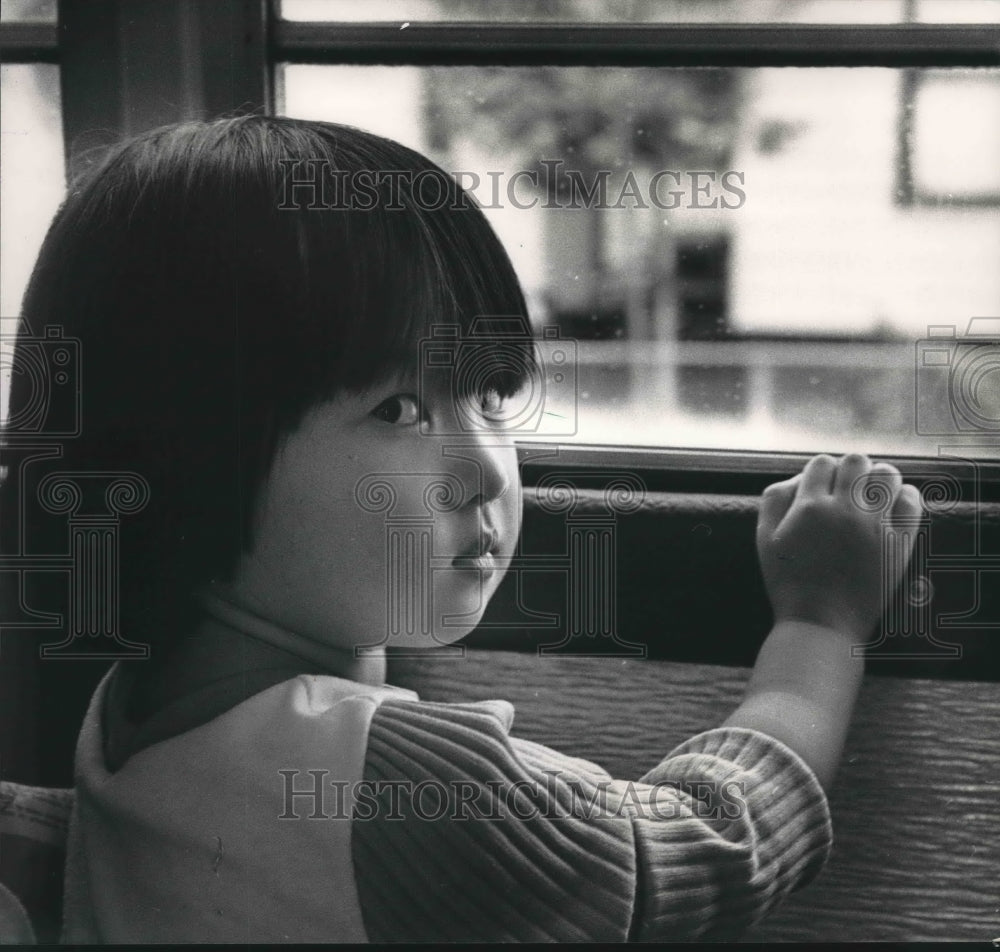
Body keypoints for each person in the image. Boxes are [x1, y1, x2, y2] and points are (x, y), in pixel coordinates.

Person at [0, 115, 921, 943]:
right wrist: (819, 628)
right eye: (399, 410)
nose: (487, 469)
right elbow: (706, 844)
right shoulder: (413, 788)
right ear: (183, 451)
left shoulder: (130, 715)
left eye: (488, 395)